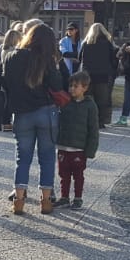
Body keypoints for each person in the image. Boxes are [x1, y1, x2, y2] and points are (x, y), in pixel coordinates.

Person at [1, 21, 63, 215]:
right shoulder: (46, 60)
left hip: (22, 113)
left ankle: (18, 200)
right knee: (47, 157)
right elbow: (57, 85)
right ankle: (45, 201)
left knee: (23, 158)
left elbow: (4, 83)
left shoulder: (11, 57)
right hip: (46, 112)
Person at [54, 71, 99, 209]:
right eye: (70, 86)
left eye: (75, 86)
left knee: (78, 175)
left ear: (84, 88)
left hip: (79, 149)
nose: (72, 89)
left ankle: (78, 198)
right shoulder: (65, 102)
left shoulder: (90, 106)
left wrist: (90, 150)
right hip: (63, 146)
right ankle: (64, 197)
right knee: (63, 174)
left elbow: (93, 129)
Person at [78, 23, 116, 127]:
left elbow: (80, 58)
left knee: (88, 98)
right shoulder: (108, 43)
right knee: (102, 99)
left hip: (88, 75)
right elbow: (113, 59)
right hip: (103, 75)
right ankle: (101, 121)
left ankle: (88, 120)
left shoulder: (86, 43)